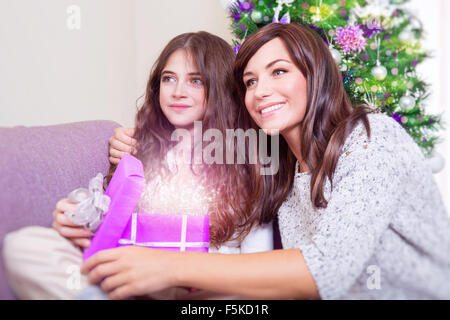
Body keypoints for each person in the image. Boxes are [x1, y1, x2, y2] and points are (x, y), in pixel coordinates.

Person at [100, 23, 450, 300]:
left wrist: (170, 266)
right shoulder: (284, 172)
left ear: (316, 76)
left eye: (279, 71)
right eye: (250, 82)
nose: (261, 90)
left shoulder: (372, 138)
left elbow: (325, 269)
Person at [2, 31, 273, 300]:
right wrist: (78, 219)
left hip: (199, 288)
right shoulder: (136, 149)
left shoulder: (250, 164)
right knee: (25, 245)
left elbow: (259, 271)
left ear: (221, 88)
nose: (178, 92)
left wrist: (178, 271)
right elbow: (111, 227)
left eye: (196, 81)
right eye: (169, 79)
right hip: (128, 277)